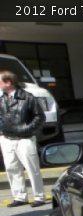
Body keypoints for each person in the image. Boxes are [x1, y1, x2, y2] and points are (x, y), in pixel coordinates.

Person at [0, 70, 45, 207]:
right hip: (6, 138)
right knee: (12, 168)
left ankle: (39, 196)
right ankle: (19, 197)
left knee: (32, 168)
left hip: (25, 138)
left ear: (8, 82)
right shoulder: (2, 99)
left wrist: (27, 129)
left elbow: (40, 116)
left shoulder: (27, 97)